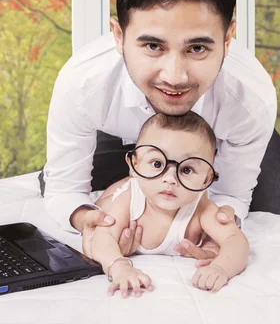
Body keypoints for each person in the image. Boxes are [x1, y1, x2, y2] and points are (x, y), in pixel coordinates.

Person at [40, 0, 280, 260]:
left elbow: (230, 195)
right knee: (59, 183)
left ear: (227, 39)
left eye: (197, 48)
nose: (175, 76)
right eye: (153, 46)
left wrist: (216, 231)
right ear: (118, 36)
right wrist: (92, 221)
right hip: (118, 135)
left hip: (215, 139)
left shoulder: (250, 98)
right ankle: (130, 172)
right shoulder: (82, 85)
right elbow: (66, 192)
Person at [91, 111, 249, 297]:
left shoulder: (201, 208)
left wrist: (221, 268)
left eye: (187, 169)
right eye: (157, 164)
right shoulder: (129, 199)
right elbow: (101, 238)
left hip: (148, 184)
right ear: (134, 165)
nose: (170, 179)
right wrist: (119, 267)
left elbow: (236, 241)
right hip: (125, 189)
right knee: (101, 206)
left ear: (206, 180)